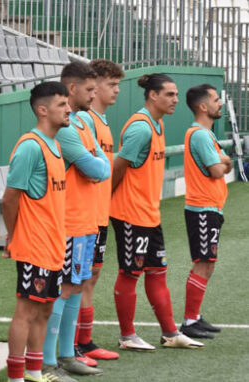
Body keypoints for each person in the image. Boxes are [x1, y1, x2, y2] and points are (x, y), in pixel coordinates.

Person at [111, 74, 203, 350]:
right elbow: (118, 166)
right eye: (170, 94)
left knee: (157, 272)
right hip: (130, 213)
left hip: (149, 214)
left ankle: (170, 334)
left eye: (176, 95)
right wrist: (106, 200)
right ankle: (127, 336)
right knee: (130, 274)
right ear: (153, 95)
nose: (176, 100)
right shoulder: (141, 128)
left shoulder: (157, 124)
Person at [41, 62, 109, 380]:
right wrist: (96, 159)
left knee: (77, 285)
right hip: (67, 222)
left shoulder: (85, 123)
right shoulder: (68, 130)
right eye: (89, 90)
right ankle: (48, 359)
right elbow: (98, 169)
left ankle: (67, 354)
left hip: (85, 222)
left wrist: (96, 159)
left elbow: (103, 167)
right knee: (64, 288)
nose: (93, 96)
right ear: (72, 89)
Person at [3, 82, 70, 382]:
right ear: (42, 110)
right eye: (61, 104)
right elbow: (10, 197)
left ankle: (33, 371)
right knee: (27, 311)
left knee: (44, 311)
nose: (69, 109)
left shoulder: (55, 145)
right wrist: (12, 234)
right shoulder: (31, 146)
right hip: (34, 245)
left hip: (54, 245)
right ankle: (16, 376)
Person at [73, 59, 124, 361]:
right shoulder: (87, 120)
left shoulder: (101, 121)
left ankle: (84, 342)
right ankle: (78, 344)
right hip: (85, 214)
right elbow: (93, 169)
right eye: (111, 85)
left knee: (91, 278)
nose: (116, 91)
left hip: (99, 213)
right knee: (81, 280)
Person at [180, 84, 230, 338]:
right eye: (215, 99)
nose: (220, 102)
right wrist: (222, 161)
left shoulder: (206, 134)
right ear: (203, 106)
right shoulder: (199, 135)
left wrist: (223, 161)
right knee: (202, 263)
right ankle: (189, 322)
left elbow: (226, 163)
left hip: (210, 208)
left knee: (207, 264)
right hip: (202, 209)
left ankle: (194, 317)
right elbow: (218, 169)